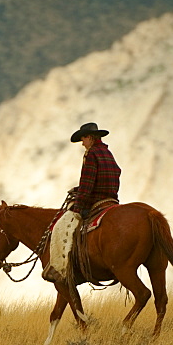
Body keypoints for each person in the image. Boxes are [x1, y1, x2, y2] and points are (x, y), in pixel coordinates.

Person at [42, 122, 121, 284]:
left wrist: (78, 205)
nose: (82, 143)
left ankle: (61, 267)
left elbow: (88, 182)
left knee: (61, 225)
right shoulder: (107, 153)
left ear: (90, 137)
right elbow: (114, 174)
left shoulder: (91, 154)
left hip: (95, 200)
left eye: (83, 139)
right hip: (111, 200)